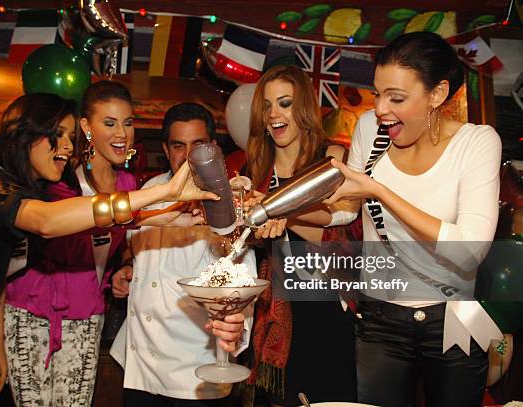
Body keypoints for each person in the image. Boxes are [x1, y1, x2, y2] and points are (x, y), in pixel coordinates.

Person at [0, 93, 216, 407]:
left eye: (71, 137)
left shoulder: (25, 189)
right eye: (58, 136)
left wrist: (167, 218)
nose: (69, 147)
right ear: (23, 135)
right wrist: (165, 191)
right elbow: (46, 222)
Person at [324, 32, 503, 407]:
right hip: (378, 319)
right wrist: (279, 208)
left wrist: (381, 192)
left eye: (397, 98)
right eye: (378, 94)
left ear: (437, 94)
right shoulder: (371, 131)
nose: (380, 109)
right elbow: (344, 208)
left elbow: (470, 250)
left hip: (452, 319)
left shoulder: (477, 143)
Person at [4, 82, 197, 406]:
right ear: (86, 127)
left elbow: (119, 241)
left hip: (90, 313)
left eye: (128, 122)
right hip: (35, 312)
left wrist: (126, 264)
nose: (122, 133)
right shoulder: (62, 178)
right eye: (109, 123)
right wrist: (156, 205)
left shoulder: (127, 183)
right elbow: (64, 227)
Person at [227, 64, 360, 407]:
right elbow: (243, 244)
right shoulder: (254, 170)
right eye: (267, 106)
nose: (274, 114)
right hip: (272, 313)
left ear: (303, 108)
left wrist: (275, 209)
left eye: (284, 103)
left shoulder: (331, 161)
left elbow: (333, 234)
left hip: (323, 308)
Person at [110, 102, 252, 406]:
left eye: (197, 145)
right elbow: (137, 248)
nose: (188, 156)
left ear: (213, 148)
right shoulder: (150, 189)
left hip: (194, 377)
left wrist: (238, 327)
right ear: (166, 149)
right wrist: (127, 267)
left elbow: (242, 284)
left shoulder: (227, 202)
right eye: (178, 146)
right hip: (139, 368)